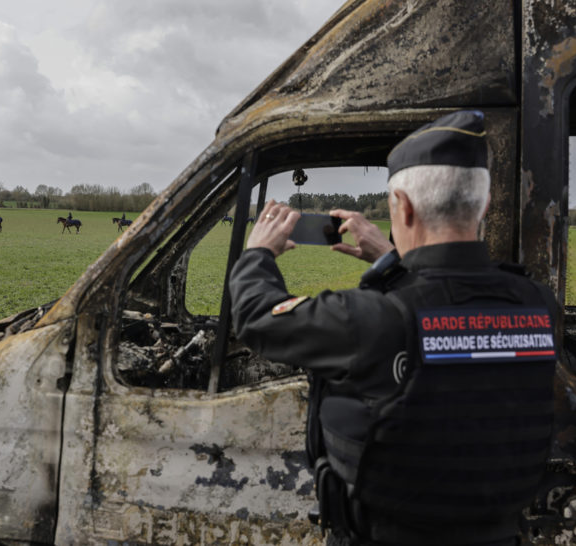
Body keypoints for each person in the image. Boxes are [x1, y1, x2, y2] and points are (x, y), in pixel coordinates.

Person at [229, 111, 558, 546]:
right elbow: (451, 310)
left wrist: (259, 253)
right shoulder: (539, 306)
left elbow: (255, 316)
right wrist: (396, 259)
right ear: (485, 204)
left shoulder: (371, 319)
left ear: (402, 206)